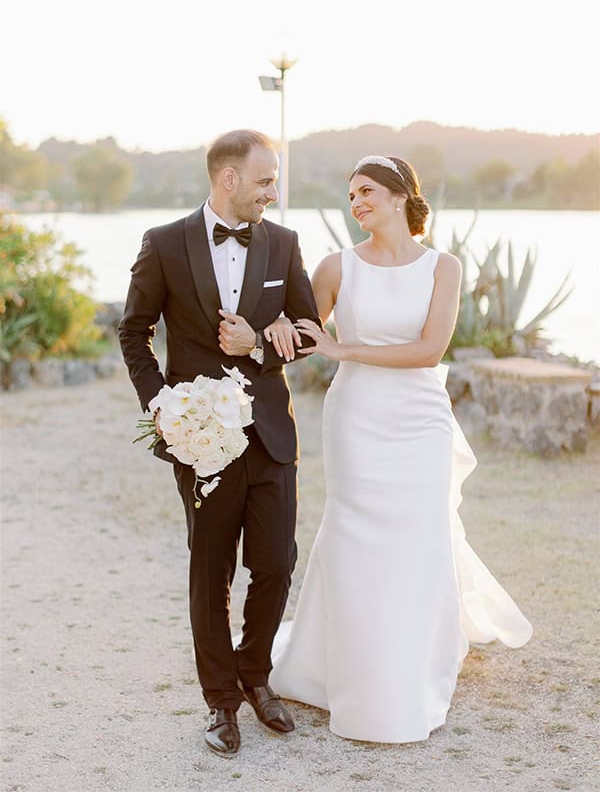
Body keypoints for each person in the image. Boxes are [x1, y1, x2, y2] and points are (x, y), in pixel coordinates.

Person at [265, 154, 533, 744]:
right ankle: (345, 666)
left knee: (419, 534)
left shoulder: (444, 267)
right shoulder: (337, 266)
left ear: (397, 197)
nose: (356, 202)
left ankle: (411, 666)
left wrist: (344, 351)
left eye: (366, 191)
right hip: (357, 418)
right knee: (355, 534)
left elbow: (430, 350)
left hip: (420, 418)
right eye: (351, 194)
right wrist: (264, 333)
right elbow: (298, 330)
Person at [118, 129, 320, 758]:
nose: (273, 192)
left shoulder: (283, 243)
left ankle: (256, 675)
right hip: (201, 442)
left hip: (270, 435)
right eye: (265, 181)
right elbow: (133, 331)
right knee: (211, 573)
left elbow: (311, 330)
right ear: (228, 179)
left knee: (277, 564)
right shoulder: (165, 244)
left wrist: (259, 343)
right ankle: (221, 702)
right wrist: (163, 407)